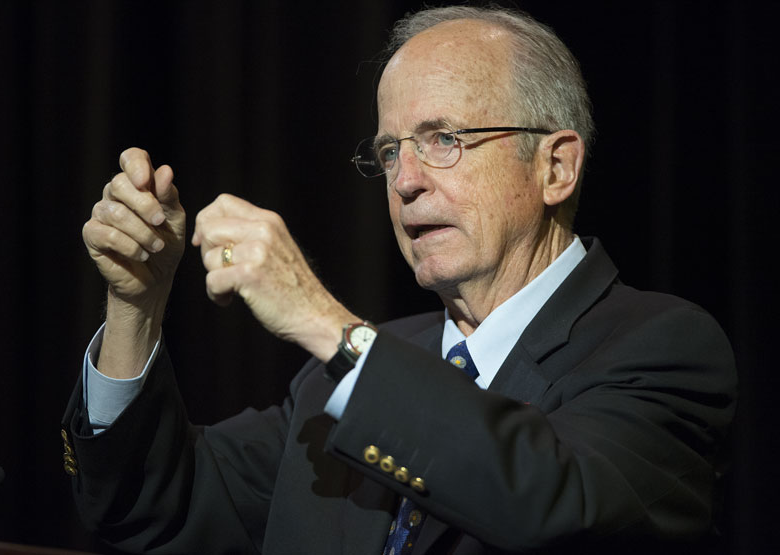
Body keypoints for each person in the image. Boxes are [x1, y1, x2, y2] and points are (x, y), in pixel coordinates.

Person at [62, 6, 737, 555]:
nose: (406, 182)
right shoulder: (345, 376)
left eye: (444, 138)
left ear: (555, 167)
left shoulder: (665, 349)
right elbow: (151, 507)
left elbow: (557, 503)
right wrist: (135, 306)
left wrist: (324, 322)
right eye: (390, 151)